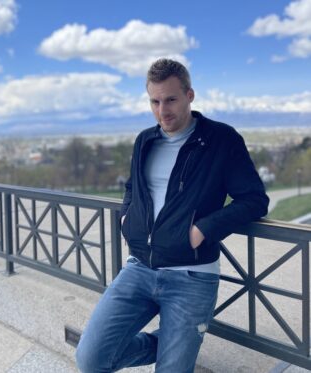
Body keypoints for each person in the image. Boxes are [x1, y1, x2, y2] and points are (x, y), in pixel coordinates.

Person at [75, 58, 269, 372]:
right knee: (90, 359)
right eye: (154, 101)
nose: (162, 110)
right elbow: (132, 187)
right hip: (139, 268)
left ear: (190, 95)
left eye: (171, 100)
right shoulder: (145, 141)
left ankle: (176, 345)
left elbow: (254, 200)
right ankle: (170, 342)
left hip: (192, 277)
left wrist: (202, 229)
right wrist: (128, 219)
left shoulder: (221, 140)